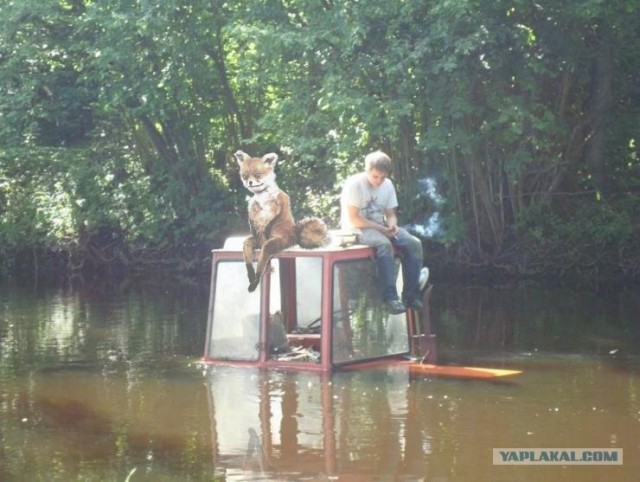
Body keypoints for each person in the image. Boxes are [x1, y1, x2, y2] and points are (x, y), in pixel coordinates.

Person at [340, 150, 426, 314]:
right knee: (384, 244)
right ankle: (390, 298)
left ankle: (410, 296)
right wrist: (383, 230)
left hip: (381, 226)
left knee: (414, 244)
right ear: (366, 171)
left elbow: (391, 214)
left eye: (382, 177)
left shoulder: (388, 185)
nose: (379, 181)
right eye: (375, 177)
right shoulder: (355, 185)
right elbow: (354, 218)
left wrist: (392, 226)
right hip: (356, 228)